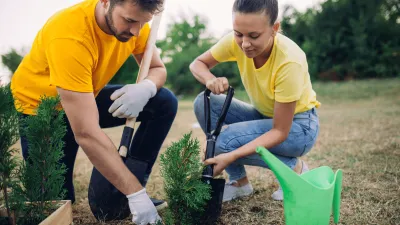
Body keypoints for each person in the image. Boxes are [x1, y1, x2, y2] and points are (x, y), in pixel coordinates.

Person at [11, 0, 177, 224]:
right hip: (41, 109)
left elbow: (157, 68)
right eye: (129, 20)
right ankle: (135, 194)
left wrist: (145, 88)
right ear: (106, 2)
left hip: (85, 92)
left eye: (143, 22)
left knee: (163, 101)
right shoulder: (69, 35)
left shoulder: (136, 21)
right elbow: (86, 133)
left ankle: (124, 192)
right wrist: (136, 195)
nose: (136, 31)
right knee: (54, 208)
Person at [190, 0, 320, 202]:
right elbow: (197, 63)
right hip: (264, 116)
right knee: (203, 103)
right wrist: (210, 79)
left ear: (274, 28)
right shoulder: (237, 42)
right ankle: (239, 184)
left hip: (298, 128)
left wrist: (230, 155)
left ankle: (295, 170)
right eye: (238, 34)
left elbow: (280, 130)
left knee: (222, 142)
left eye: (254, 36)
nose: (244, 44)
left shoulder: (289, 61)